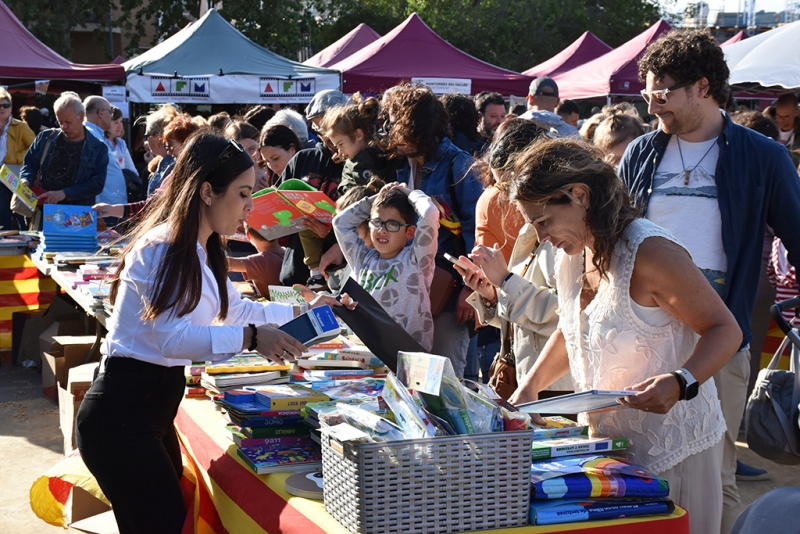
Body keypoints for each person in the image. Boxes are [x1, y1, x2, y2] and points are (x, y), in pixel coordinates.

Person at [76, 130, 353, 534]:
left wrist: (306, 307)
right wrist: (254, 339)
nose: (250, 207)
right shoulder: (163, 247)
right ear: (207, 191)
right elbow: (173, 338)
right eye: (242, 194)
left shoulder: (202, 248)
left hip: (146, 410)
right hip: (122, 413)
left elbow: (236, 310)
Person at [507, 137, 741, 534]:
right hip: (609, 454)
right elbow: (572, 329)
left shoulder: (651, 252)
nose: (541, 236)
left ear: (579, 196)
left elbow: (726, 330)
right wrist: (526, 394)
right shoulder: (573, 253)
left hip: (674, 453)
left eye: (543, 221)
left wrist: (681, 381)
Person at [619, 29, 800, 533]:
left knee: (714, 467)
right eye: (648, 93)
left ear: (702, 86)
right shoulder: (639, 153)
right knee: (642, 463)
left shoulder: (763, 156)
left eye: (663, 92)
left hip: (719, 336)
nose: (653, 104)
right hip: (644, 334)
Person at [382, 83, 484, 377]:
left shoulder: (459, 164)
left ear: (411, 125)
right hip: (412, 290)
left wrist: (469, 289)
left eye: (393, 122)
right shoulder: (403, 165)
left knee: (447, 379)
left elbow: (476, 233)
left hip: (449, 292)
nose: (388, 130)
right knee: (415, 378)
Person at [461, 118, 566, 390]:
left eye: (507, 185)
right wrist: (491, 295)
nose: (505, 196)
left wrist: (506, 281)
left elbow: (566, 317)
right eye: (499, 187)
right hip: (533, 379)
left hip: (559, 386)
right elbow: (526, 317)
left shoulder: (568, 232)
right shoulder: (531, 226)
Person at [333, 182, 439, 350]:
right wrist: (375, 199)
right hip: (370, 352)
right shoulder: (361, 260)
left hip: (411, 355)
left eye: (392, 225)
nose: (382, 230)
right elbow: (340, 223)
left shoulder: (417, 259)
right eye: (376, 222)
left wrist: (407, 193)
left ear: (410, 232)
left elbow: (430, 213)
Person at [20, 91, 107, 207]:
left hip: (77, 215)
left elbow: (97, 183)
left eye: (68, 122)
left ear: (81, 116)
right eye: (60, 122)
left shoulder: (98, 148)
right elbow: (29, 164)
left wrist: (64, 193)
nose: (63, 126)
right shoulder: (45, 138)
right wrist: (25, 180)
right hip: (43, 209)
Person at [1, 88, 36, 230]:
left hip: (14, 174)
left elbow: (34, 149)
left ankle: (25, 243)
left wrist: (14, 158)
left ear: (11, 108)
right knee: (2, 213)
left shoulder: (21, 126)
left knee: (20, 211)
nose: (2, 108)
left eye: (5, 105)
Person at [84, 96, 128, 207]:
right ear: (101, 113)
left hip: (109, 207)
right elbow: (90, 174)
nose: (111, 116)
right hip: (104, 209)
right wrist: (97, 208)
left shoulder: (95, 134)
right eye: (110, 112)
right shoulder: (91, 135)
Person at [228, 222, 285, 299]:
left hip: (272, 308)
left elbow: (225, 263)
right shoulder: (286, 252)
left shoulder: (260, 261)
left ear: (248, 236)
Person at [105, 106, 136, 173]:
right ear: (106, 123)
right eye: (116, 122)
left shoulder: (121, 143)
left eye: (121, 121)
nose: (120, 126)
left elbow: (131, 169)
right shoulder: (101, 143)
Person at [774, 93, 800, 166]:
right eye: (778, 116)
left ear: (796, 112)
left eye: (786, 117)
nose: (781, 120)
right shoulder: (769, 127)